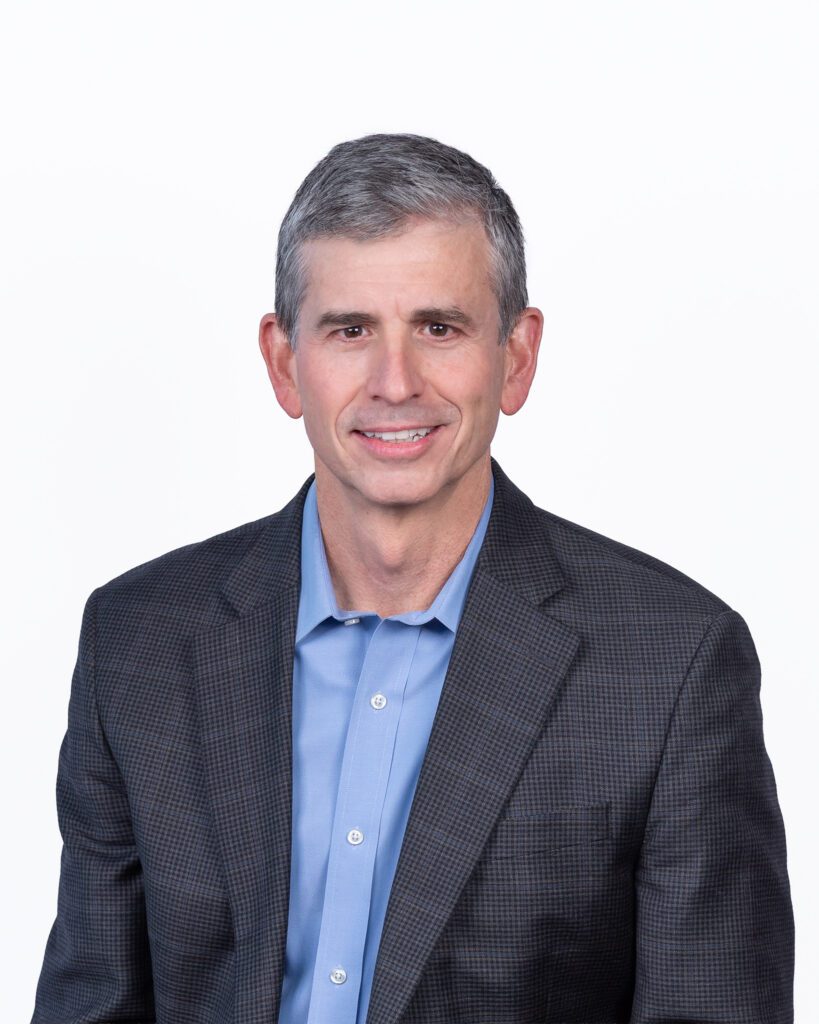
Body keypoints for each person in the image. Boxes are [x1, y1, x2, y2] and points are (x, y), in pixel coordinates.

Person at [31, 133, 794, 1024]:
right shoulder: (139, 644)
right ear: (285, 364)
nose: (395, 382)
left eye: (439, 327)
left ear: (516, 356)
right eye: (350, 331)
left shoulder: (671, 666)